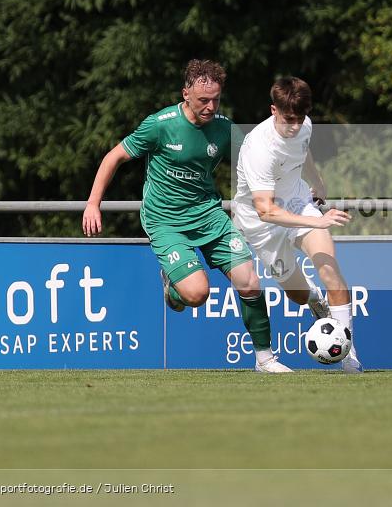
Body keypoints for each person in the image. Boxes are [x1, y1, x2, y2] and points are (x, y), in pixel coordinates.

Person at [82, 59, 291, 373]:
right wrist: (93, 204)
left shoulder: (224, 129)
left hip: (208, 215)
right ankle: (172, 286)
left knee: (250, 282)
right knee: (196, 294)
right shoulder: (160, 124)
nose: (210, 107)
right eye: (203, 100)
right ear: (185, 94)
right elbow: (114, 157)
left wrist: (292, 189)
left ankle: (265, 359)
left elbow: (260, 164)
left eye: (216, 100)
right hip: (165, 221)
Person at [232, 76, 363, 373]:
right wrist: (318, 221)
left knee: (329, 269)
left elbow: (303, 151)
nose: (294, 125)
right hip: (261, 223)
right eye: (288, 119)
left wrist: (317, 182)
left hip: (298, 202)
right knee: (297, 294)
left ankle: (349, 356)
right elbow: (266, 210)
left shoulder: (304, 124)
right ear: (273, 110)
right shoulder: (258, 148)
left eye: (300, 118)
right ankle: (315, 301)